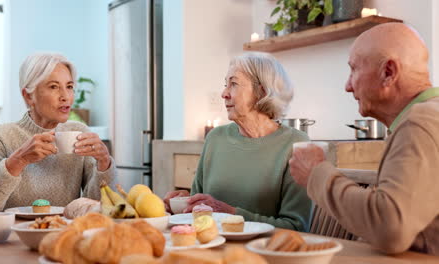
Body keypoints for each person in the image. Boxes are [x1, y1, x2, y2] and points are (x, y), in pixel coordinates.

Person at [289, 23, 439, 255]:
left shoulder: (419, 123)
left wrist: (316, 174)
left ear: (388, 73)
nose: (347, 86)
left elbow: (390, 229)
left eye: (353, 70)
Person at [164, 52, 312, 230]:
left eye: (233, 84)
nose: (224, 94)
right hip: (211, 249)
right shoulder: (215, 139)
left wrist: (230, 214)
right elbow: (199, 213)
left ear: (261, 92)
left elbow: (296, 228)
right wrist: (185, 203)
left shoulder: (296, 144)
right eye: (225, 85)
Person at [0, 53, 116, 218]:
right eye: (54, 86)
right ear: (28, 95)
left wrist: (104, 164)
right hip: (13, 237)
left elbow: (98, 207)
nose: (65, 96)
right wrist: (18, 161)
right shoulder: (1, 135)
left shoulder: (79, 132)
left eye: (69, 86)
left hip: (63, 234)